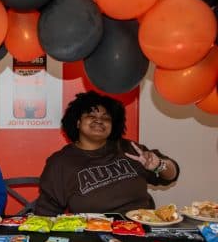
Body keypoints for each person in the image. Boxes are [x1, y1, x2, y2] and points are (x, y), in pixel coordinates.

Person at [35, 91, 179, 216]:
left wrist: (159, 165)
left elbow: (172, 175)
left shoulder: (129, 148)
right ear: (78, 122)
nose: (99, 120)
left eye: (106, 117)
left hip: (141, 228)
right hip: (93, 234)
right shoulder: (60, 162)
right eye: (91, 115)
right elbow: (47, 212)